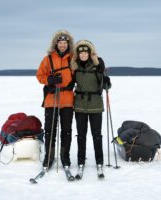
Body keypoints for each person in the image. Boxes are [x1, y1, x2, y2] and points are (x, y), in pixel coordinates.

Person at [36, 30, 75, 169]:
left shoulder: (73, 59)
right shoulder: (48, 59)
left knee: (67, 130)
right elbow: (39, 75)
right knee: (50, 130)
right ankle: (49, 157)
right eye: (60, 43)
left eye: (65, 43)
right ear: (56, 44)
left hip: (68, 100)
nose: (63, 45)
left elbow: (80, 73)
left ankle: (65, 157)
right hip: (51, 99)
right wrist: (50, 80)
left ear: (68, 44)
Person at [71, 40, 111, 171]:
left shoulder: (97, 65)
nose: (83, 55)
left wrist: (106, 80)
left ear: (89, 53)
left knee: (96, 134)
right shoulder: (75, 67)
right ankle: (80, 160)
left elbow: (107, 86)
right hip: (79, 105)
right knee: (81, 135)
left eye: (85, 52)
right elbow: (69, 83)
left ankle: (99, 160)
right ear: (78, 54)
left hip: (95, 105)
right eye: (81, 53)